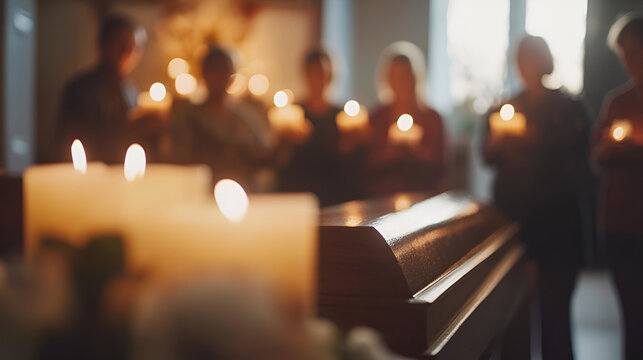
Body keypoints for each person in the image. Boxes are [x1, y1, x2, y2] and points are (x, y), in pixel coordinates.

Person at [483, 35, 591, 359]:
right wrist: (496, 142)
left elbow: (577, 154)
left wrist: (531, 139)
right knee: (515, 316)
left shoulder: (570, 108)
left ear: (545, 60)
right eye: (520, 58)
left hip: (559, 223)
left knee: (555, 313)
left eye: (531, 56)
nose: (525, 64)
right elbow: (487, 156)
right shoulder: (505, 108)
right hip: (516, 221)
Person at [593, 13, 643, 360]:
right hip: (621, 222)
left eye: (634, 49)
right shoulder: (616, 102)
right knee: (631, 315)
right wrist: (609, 150)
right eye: (624, 52)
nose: (629, 59)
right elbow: (595, 155)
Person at [168, 47, 272, 189]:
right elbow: (179, 156)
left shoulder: (245, 117)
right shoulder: (189, 116)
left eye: (225, 70)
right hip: (200, 188)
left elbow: (261, 152)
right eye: (214, 70)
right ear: (204, 73)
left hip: (241, 188)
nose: (219, 77)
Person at [56, 14, 147, 164]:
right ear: (103, 44)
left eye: (134, 48)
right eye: (121, 44)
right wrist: (127, 129)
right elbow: (71, 140)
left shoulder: (132, 92)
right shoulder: (80, 89)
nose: (128, 52)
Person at [366, 42, 446, 197]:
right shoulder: (377, 117)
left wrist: (418, 153)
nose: (401, 82)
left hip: (422, 195)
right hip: (383, 197)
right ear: (387, 80)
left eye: (406, 75)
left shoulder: (433, 118)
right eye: (395, 76)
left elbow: (442, 165)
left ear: (416, 77)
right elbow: (367, 164)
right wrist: (390, 154)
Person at [278, 49, 352, 206]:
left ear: (330, 75)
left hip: (333, 197)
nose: (317, 79)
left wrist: (350, 144)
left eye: (321, 73)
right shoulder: (292, 114)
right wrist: (286, 142)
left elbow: (347, 164)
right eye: (312, 73)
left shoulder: (343, 117)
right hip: (298, 196)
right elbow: (281, 160)